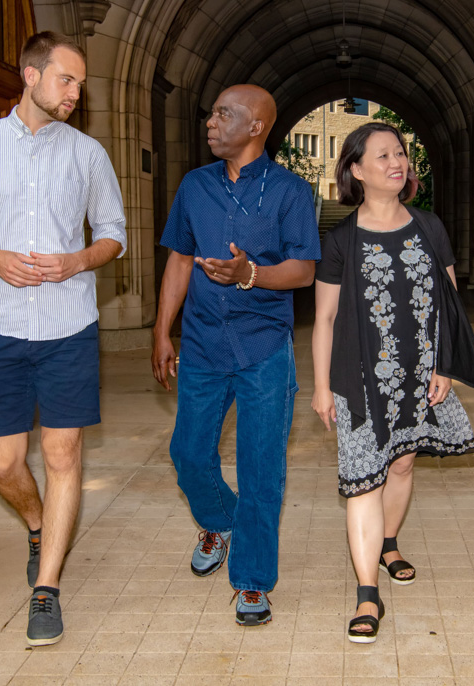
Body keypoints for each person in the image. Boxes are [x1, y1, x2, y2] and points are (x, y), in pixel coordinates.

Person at [0, 32, 126, 647]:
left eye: (80, 84)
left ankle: (47, 589)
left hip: (69, 326)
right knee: (4, 461)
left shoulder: (89, 154)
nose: (75, 93)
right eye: (66, 80)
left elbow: (114, 233)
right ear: (30, 76)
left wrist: (78, 261)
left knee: (64, 454)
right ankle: (39, 522)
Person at [152, 84, 320, 626]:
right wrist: (162, 332)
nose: (211, 121)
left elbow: (304, 270)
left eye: (225, 114)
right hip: (201, 344)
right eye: (212, 112)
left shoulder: (291, 192)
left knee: (261, 469)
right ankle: (219, 520)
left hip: (264, 348)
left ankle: (251, 582)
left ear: (256, 127)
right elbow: (179, 260)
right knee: (189, 454)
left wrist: (251, 273)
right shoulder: (194, 186)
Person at [312, 123, 474, 644]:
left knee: (402, 462)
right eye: (383, 155)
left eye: (401, 153)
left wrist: (445, 366)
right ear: (356, 170)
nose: (397, 161)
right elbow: (324, 319)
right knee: (365, 477)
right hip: (359, 378)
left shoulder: (430, 227)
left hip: (420, 374)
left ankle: (389, 542)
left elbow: (449, 307)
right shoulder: (341, 239)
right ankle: (367, 593)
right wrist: (320, 386)